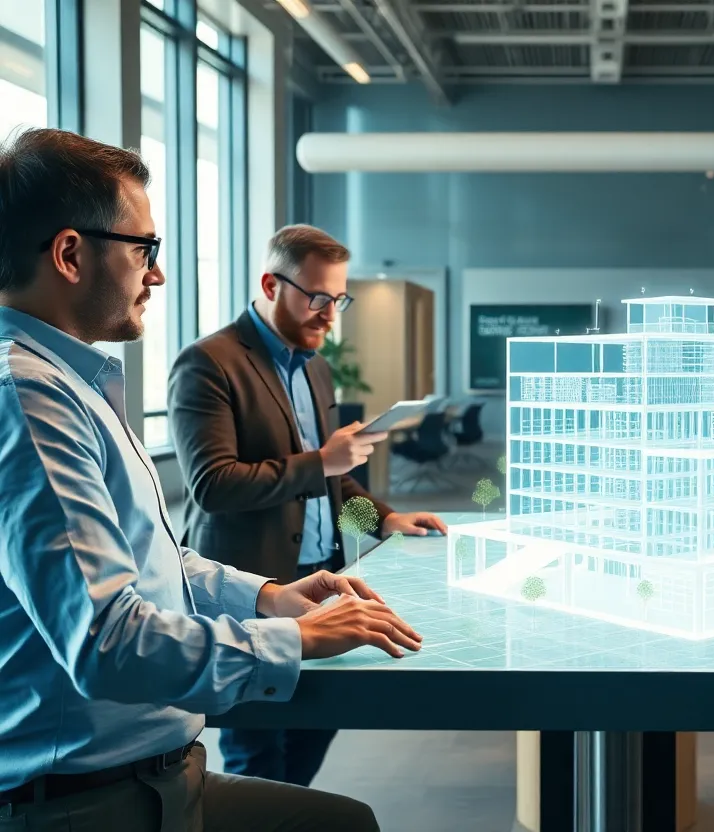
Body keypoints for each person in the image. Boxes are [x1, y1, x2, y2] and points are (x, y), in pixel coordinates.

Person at [0, 128, 425, 831]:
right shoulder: (53, 394)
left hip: (253, 636)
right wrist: (295, 631)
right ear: (70, 254)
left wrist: (371, 530)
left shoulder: (81, 384)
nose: (156, 274)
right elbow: (215, 487)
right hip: (90, 792)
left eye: (337, 302)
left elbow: (330, 496)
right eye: (145, 250)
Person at [167, 223, 446, 786]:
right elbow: (213, 485)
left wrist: (384, 517)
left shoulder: (314, 366)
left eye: (339, 299)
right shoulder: (208, 363)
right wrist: (321, 459)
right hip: (251, 587)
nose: (330, 314)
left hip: (322, 581)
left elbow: (334, 482)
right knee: (259, 750)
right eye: (318, 298)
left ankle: (289, 809)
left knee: (317, 724)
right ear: (272, 284)